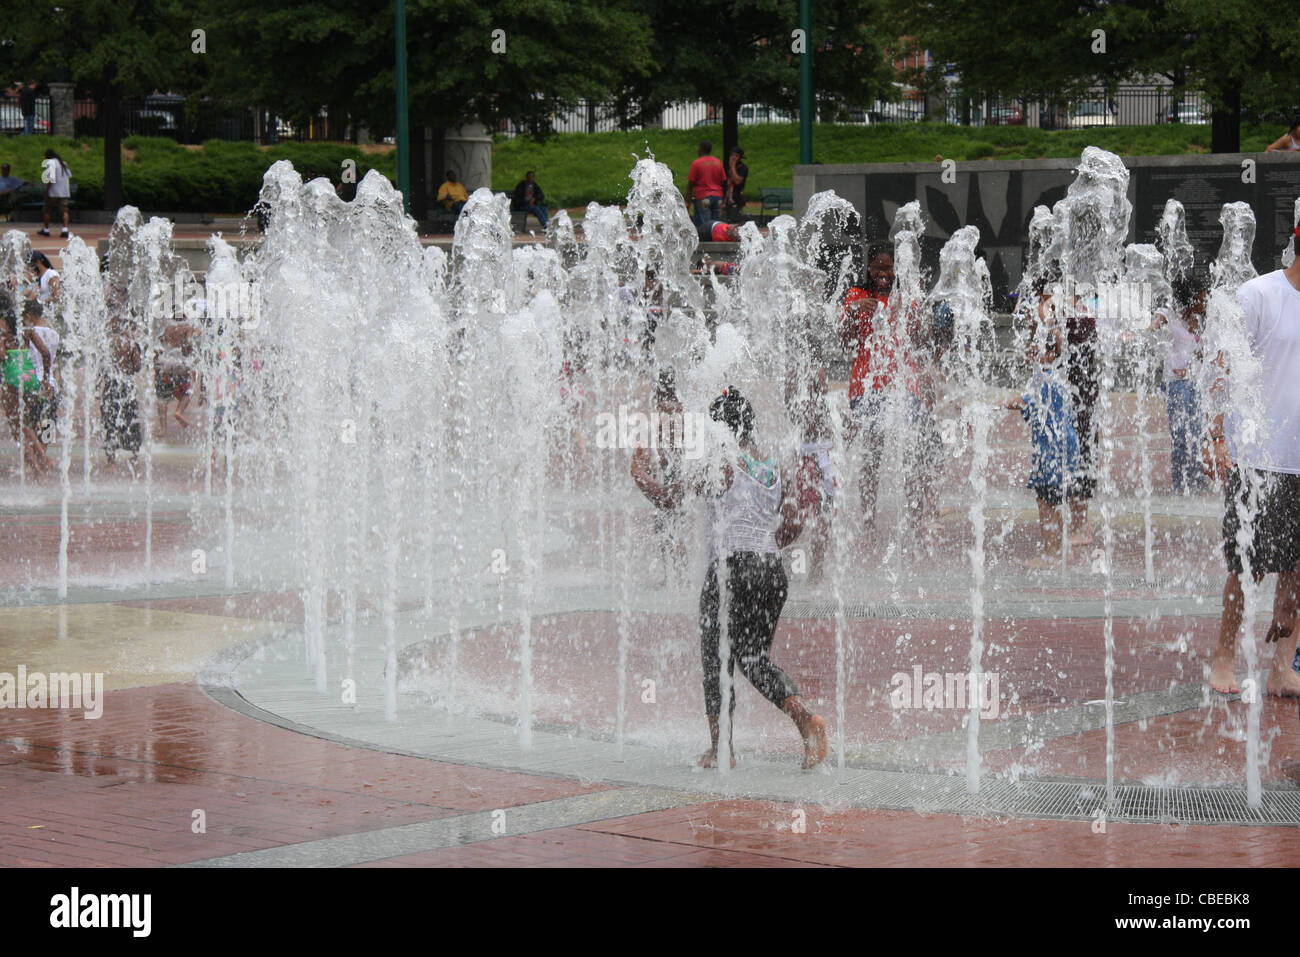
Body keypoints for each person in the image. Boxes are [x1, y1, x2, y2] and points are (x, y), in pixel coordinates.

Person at [697, 386, 828, 769]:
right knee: (753, 658)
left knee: (716, 655)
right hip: (771, 571)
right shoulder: (772, 465)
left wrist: (651, 480)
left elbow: (677, 494)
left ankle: (722, 749)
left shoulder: (722, 460)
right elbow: (793, 522)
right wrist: (765, 549)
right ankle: (806, 720)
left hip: (730, 569)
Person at [1206, 250, 1300, 698]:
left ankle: (1282, 667)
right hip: (1258, 457)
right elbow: (1221, 365)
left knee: (1298, 571)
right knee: (1247, 566)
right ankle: (1224, 657)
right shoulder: (1260, 294)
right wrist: (1218, 436)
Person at [839, 243, 940, 532]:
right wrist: (854, 311)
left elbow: (922, 339)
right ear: (869, 269)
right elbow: (845, 342)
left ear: (897, 269)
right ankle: (868, 519)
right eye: (878, 267)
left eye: (888, 267)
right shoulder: (857, 296)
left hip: (903, 385)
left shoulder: (906, 296)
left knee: (911, 451)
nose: (883, 272)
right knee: (872, 453)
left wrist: (916, 304)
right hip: (867, 385)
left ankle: (914, 517)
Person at [1006, 323, 1079, 568]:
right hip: (1063, 447)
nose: (1030, 355)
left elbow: (1029, 406)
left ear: (1048, 355)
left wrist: (1012, 403)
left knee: (1045, 503)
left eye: (1034, 350)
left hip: (1051, 450)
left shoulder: (1043, 378)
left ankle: (1050, 554)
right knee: (1056, 501)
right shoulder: (1058, 376)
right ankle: (1060, 550)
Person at [1151, 272, 1210, 494]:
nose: (1205, 303)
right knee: (1179, 433)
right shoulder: (1169, 314)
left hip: (1194, 380)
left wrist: (1195, 362)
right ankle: (1178, 479)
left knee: (1196, 431)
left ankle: (1195, 476)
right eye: (1202, 299)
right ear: (1192, 299)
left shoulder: (1200, 320)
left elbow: (1201, 353)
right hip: (1175, 383)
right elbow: (1151, 329)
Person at [629, 370, 689, 586]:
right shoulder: (678, 407)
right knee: (670, 526)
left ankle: (676, 576)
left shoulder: (665, 408)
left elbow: (666, 441)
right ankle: (676, 575)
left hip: (671, 470)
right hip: (677, 469)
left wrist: (659, 459)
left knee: (669, 526)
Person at [788, 365, 837, 584]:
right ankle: (816, 568)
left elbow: (790, 413)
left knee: (803, 514)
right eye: (825, 380)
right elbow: (846, 428)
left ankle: (787, 558)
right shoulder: (827, 407)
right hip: (822, 466)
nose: (827, 383)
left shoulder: (803, 407)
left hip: (805, 464)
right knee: (822, 517)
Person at [1, 298, 58, 474]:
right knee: (47, 423)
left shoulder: (4, 326)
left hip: (14, 376)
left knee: (20, 426)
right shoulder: (44, 332)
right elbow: (48, 354)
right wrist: (47, 379)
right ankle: (43, 456)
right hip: (39, 382)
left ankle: (38, 464)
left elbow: (2, 355)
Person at [100, 315, 143, 466]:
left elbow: (102, 366)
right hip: (127, 384)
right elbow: (137, 367)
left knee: (109, 419)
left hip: (111, 383)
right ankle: (135, 455)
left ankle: (111, 458)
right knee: (131, 417)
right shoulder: (131, 344)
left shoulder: (108, 343)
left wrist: (97, 385)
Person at [154, 318, 200, 437]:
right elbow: (189, 343)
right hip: (180, 365)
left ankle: (163, 429)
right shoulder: (187, 327)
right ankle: (179, 412)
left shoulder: (168, 328)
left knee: (162, 398)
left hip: (166, 364)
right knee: (188, 390)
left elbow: (160, 345)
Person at [686, 141, 726, 231]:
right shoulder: (718, 162)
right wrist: (724, 200)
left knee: (704, 227)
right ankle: (717, 242)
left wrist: (687, 201)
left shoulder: (696, 163)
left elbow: (691, 184)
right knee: (717, 226)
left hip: (703, 197)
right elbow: (724, 182)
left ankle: (706, 244)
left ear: (700, 150)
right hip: (718, 197)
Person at [39, 149, 71, 239]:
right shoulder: (63, 163)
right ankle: (65, 229)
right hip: (64, 191)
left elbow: (51, 179)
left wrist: (47, 190)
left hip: (54, 191)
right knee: (64, 210)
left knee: (47, 210)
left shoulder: (50, 163)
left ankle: (46, 230)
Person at [724, 147, 748, 223]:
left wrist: (733, 166)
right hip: (727, 198)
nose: (733, 157)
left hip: (737, 199)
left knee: (735, 220)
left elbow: (737, 181)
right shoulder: (727, 167)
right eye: (732, 155)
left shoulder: (743, 168)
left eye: (736, 155)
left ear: (740, 157)